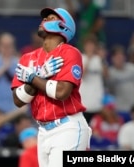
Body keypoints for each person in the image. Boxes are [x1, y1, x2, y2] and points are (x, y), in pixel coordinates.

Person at [11, 8, 91, 167]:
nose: (44, 21)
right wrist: (40, 75)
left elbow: (61, 92)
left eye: (51, 18)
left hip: (68, 127)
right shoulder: (28, 58)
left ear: (63, 26)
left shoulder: (70, 53)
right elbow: (18, 99)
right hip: (42, 131)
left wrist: (33, 77)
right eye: (44, 18)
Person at [108, 45, 134, 122]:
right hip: (118, 109)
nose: (119, 59)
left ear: (125, 57)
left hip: (133, 109)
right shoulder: (110, 72)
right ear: (112, 59)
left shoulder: (133, 68)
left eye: (121, 56)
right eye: (117, 57)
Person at [79, 34, 106, 123]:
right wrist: (89, 58)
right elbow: (82, 75)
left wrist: (103, 59)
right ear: (84, 46)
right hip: (84, 101)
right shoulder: (80, 58)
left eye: (92, 45)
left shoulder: (99, 59)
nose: (90, 47)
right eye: (88, 45)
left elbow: (106, 75)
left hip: (97, 101)